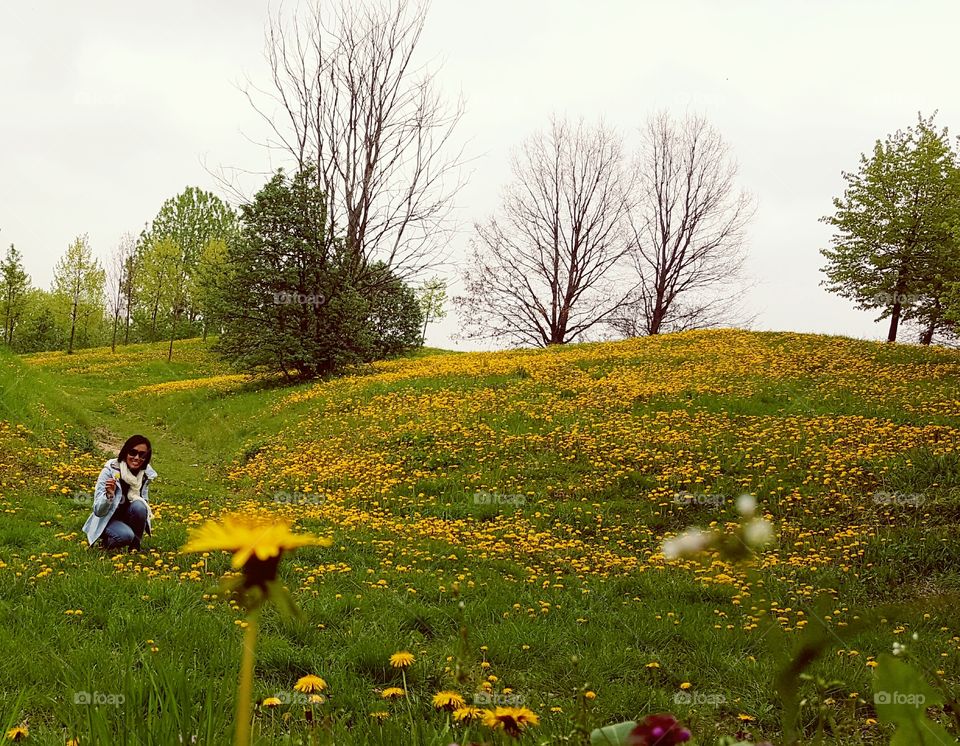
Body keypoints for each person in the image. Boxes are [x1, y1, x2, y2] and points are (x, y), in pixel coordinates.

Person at [83, 435, 157, 552]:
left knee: (140, 506)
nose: (137, 457)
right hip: (107, 519)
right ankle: (106, 544)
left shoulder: (144, 475)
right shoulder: (109, 472)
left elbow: (144, 503)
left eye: (142, 454)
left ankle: (134, 548)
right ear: (125, 452)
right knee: (125, 536)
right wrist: (109, 495)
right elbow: (98, 510)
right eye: (133, 453)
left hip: (127, 516)